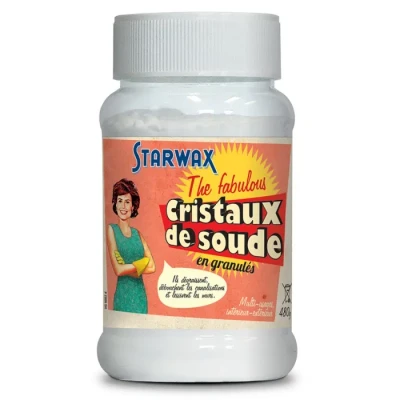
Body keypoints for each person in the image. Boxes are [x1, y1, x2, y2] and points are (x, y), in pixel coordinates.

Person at [106, 178, 155, 313]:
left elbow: (152, 267)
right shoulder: (111, 230)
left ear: (133, 206)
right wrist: (141, 264)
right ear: (115, 204)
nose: (123, 206)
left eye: (127, 202)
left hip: (140, 297)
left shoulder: (138, 234)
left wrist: (127, 267)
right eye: (120, 201)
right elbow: (118, 269)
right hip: (123, 297)